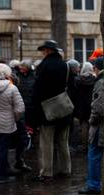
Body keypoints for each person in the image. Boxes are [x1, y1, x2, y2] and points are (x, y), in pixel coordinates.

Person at [32, 39, 73, 182]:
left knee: (46, 143)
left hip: (46, 110)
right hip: (64, 109)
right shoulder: (66, 66)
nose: (42, 53)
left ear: (48, 51)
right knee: (63, 142)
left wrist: (34, 114)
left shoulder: (43, 66)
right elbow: (71, 88)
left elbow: (37, 91)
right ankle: (65, 169)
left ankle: (46, 172)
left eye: (43, 51)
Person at [78, 57, 104, 195]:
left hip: (100, 126)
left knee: (94, 154)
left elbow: (98, 107)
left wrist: (92, 120)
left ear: (96, 68)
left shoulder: (100, 82)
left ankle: (93, 185)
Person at [11, 60, 35, 171]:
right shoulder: (16, 76)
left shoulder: (34, 76)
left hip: (30, 109)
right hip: (19, 110)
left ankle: (22, 157)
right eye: (21, 67)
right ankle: (19, 160)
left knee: (28, 133)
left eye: (24, 67)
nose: (21, 69)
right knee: (20, 136)